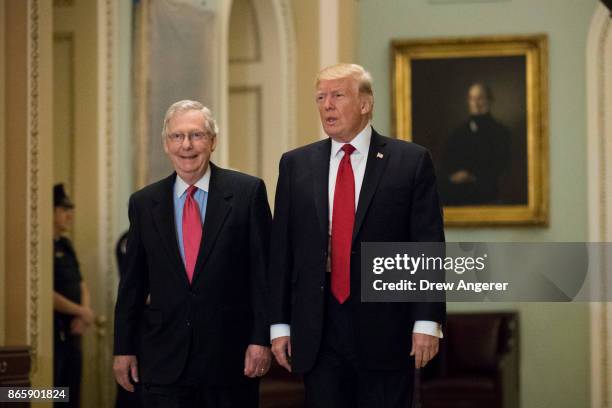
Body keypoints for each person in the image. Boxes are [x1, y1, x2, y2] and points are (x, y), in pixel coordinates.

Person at [268, 63, 446, 408]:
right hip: (318, 328)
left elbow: (427, 246)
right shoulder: (295, 165)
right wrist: (279, 325)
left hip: (386, 328)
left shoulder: (409, 161)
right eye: (320, 97)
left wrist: (427, 320)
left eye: (337, 95)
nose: (327, 105)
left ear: (366, 104)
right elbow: (282, 252)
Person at [113, 100, 272, 407]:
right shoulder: (144, 203)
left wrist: (260, 339)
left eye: (197, 135)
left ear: (212, 141)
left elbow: (263, 275)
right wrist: (123, 348)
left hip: (230, 360)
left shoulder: (246, 193)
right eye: (177, 136)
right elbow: (132, 284)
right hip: (163, 360)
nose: (186, 145)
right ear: (166, 144)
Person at [53, 183, 95, 408]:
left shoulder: (66, 245)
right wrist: (81, 311)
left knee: (71, 392)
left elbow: (81, 283)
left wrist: (84, 313)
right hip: (55, 332)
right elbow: (45, 293)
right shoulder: (42, 247)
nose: (69, 215)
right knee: (54, 392)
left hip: (74, 331)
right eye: (63, 209)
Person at [441, 82, 511, 206]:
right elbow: (446, 162)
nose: (476, 103)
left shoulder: (501, 132)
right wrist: (453, 176)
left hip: (488, 194)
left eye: (480, 98)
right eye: (472, 98)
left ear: (489, 100)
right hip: (459, 195)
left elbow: (502, 165)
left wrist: (473, 177)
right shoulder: (459, 132)